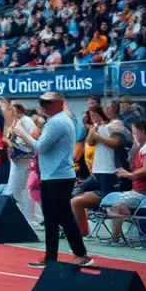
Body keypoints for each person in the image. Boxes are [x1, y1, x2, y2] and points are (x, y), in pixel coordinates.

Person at [29, 91, 92, 268]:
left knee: (63, 216)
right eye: (42, 103)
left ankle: (80, 253)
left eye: (47, 103)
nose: (44, 106)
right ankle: (52, 256)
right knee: (51, 217)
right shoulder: (57, 120)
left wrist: (22, 133)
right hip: (53, 174)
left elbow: (40, 147)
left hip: (58, 175)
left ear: (58, 103)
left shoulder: (58, 121)